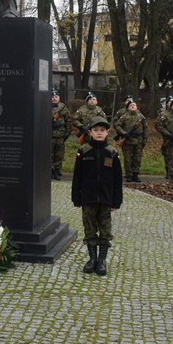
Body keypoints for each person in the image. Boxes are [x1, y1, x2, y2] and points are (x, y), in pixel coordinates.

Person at [71, 116, 123, 277]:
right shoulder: (83, 151)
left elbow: (117, 179)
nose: (99, 133)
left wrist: (117, 200)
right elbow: (77, 176)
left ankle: (101, 261)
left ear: (107, 132)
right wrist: (76, 197)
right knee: (90, 229)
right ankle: (92, 259)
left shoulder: (112, 152)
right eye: (96, 130)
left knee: (105, 230)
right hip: (88, 198)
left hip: (106, 198)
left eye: (102, 130)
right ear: (90, 132)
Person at [113, 97, 147, 183]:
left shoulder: (141, 117)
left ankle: (135, 175)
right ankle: (129, 175)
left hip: (138, 140)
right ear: (127, 107)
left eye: (134, 105)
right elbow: (117, 126)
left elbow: (146, 129)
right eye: (130, 105)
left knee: (137, 158)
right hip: (127, 140)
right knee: (128, 159)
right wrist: (123, 133)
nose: (132, 106)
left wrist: (144, 140)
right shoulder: (124, 116)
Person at [50, 89, 70, 180]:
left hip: (61, 135)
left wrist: (67, 133)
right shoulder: (46, 106)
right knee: (49, 154)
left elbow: (68, 121)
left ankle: (57, 171)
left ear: (59, 98)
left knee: (59, 154)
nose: (54, 99)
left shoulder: (63, 108)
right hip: (50, 135)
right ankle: (50, 171)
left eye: (56, 97)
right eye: (53, 97)